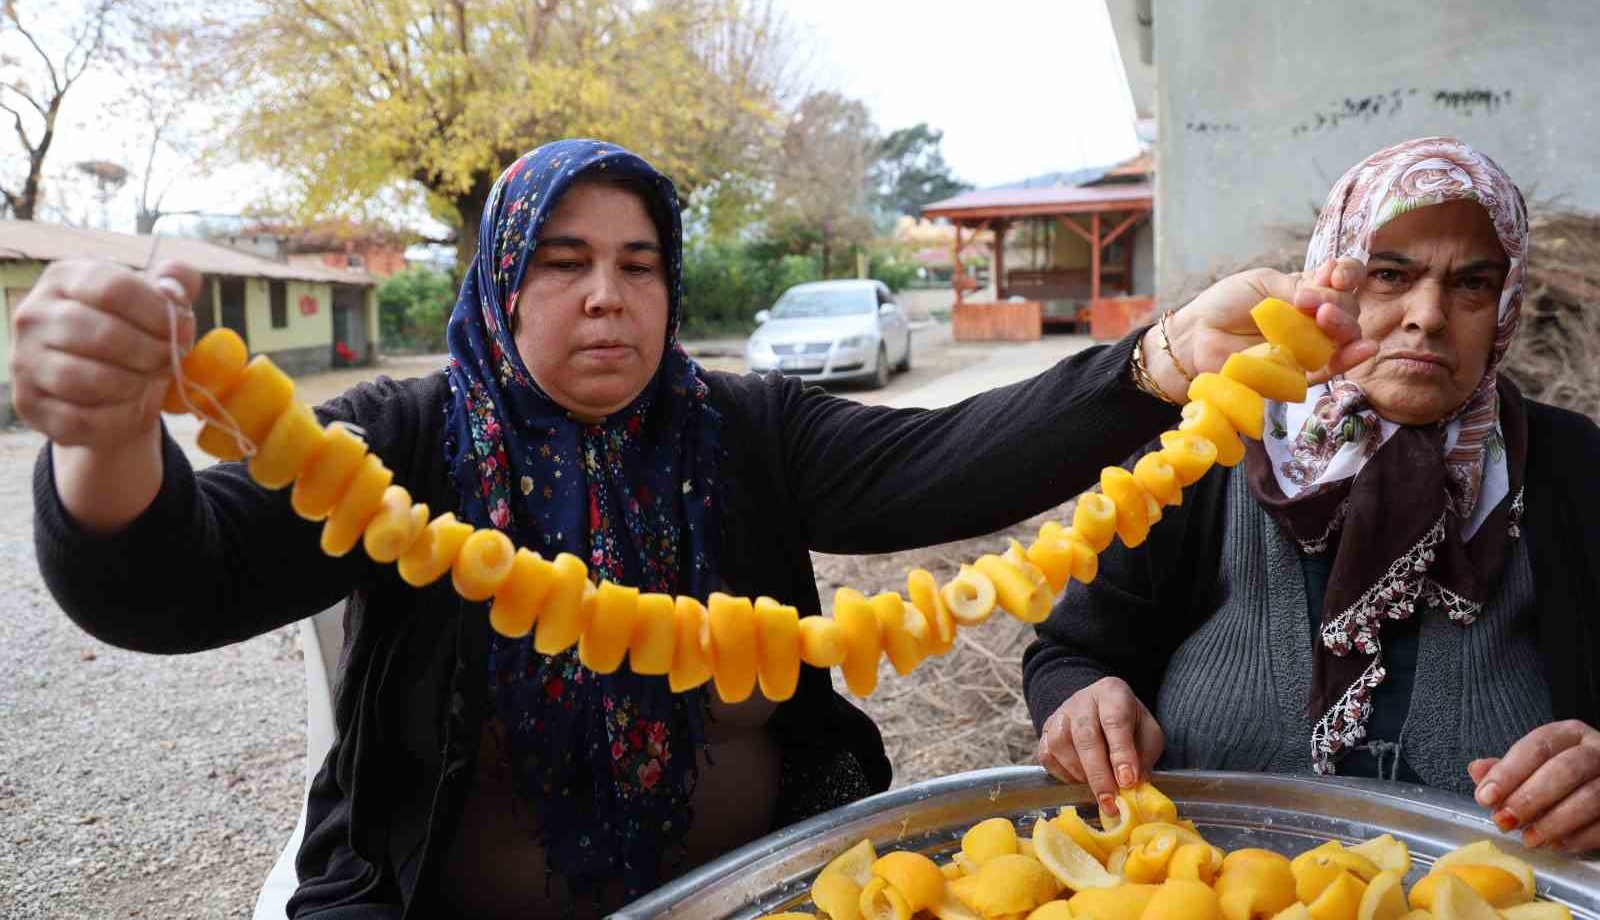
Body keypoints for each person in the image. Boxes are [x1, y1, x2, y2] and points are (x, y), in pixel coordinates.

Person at [21, 139, 1367, 917]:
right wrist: (103, 440)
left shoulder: (750, 432)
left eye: (641, 262)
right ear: (496, 282)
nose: (608, 297)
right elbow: (170, 582)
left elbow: (952, 462)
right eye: (562, 262)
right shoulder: (391, 443)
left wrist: (1157, 361)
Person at [1025, 137, 1600, 856]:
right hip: (1216, 896)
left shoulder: (1571, 466)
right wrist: (1081, 706)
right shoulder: (1211, 443)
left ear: (1506, 305)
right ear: (1331, 282)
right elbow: (1070, 653)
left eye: (1472, 285)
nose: (1428, 315)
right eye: (1390, 274)